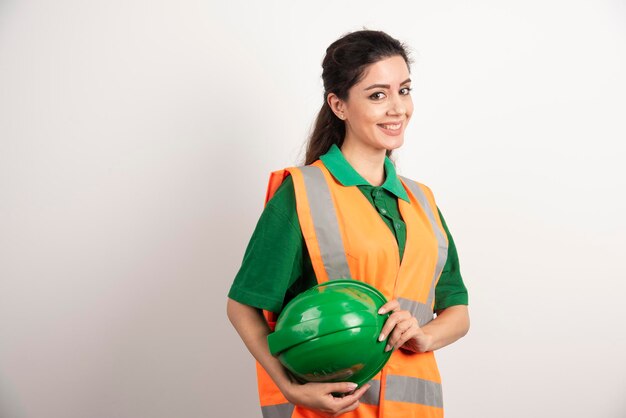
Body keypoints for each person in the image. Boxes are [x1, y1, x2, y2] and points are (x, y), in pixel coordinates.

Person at [226, 29, 470, 418]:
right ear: (339, 106)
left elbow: (457, 309)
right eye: (377, 95)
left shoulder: (422, 201)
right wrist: (290, 388)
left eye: (403, 90)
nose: (397, 108)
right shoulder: (302, 194)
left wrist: (425, 337)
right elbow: (242, 306)